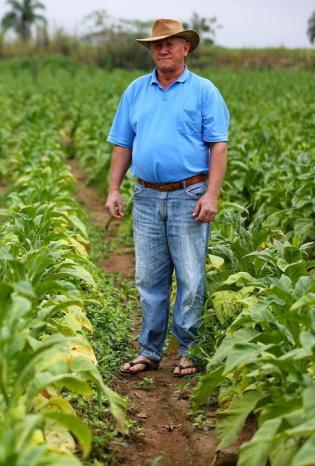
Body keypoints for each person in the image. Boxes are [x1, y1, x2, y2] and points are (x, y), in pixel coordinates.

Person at [104, 19, 229, 376]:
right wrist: (114, 187)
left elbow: (218, 146)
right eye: (156, 45)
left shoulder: (204, 91)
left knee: (190, 277)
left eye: (170, 43)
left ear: (185, 47)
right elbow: (122, 144)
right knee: (149, 278)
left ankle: (189, 350)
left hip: (189, 194)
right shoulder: (136, 90)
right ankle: (150, 350)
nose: (162, 50)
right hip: (145, 195)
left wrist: (211, 194)